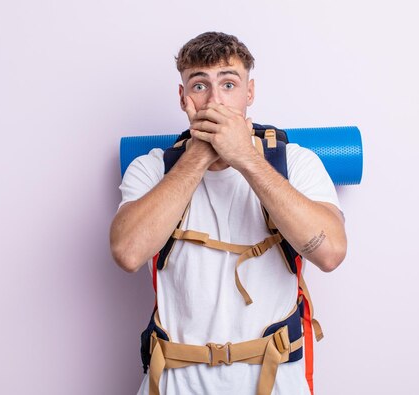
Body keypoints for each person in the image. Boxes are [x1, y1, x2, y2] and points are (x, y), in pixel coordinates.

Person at [110, 32, 347, 395]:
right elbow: (127, 253)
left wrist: (246, 158)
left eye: (229, 84)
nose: (215, 100)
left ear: (249, 93)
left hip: (273, 382)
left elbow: (330, 253)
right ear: (183, 97)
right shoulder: (151, 168)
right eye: (200, 85)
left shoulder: (295, 163)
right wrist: (200, 153)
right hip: (176, 383)